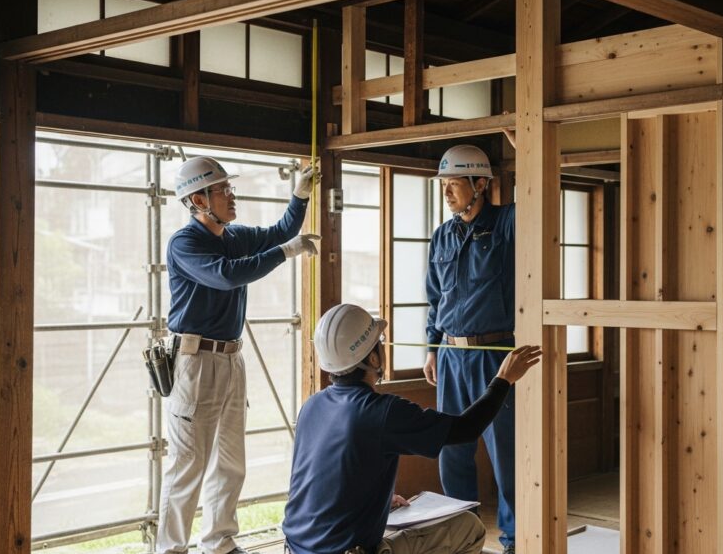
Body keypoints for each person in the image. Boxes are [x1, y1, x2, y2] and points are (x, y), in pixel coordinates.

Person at [282, 303, 542, 554]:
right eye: (379, 344)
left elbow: (320, 479)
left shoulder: (311, 406)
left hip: (295, 548)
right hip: (347, 551)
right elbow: (466, 429)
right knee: (468, 527)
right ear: (373, 358)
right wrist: (503, 379)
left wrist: (376, 500)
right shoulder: (381, 411)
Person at [159, 156, 320, 554]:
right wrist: (287, 252)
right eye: (223, 190)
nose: (232, 195)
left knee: (230, 462)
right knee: (187, 467)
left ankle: (219, 542)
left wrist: (299, 195)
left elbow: (282, 230)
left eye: (229, 188)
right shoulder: (185, 243)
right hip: (194, 361)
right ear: (198, 199)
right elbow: (227, 274)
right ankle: (170, 549)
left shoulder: (234, 235)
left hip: (231, 358)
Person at [422, 144, 518, 553]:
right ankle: (462, 536)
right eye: (444, 184)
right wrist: (431, 347)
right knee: (452, 449)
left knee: (506, 452)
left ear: (481, 184)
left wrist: (528, 146)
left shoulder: (507, 224)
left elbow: (537, 195)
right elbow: (433, 297)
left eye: (455, 184)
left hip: (495, 354)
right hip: (450, 356)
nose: (446, 192)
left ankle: (516, 540)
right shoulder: (443, 235)